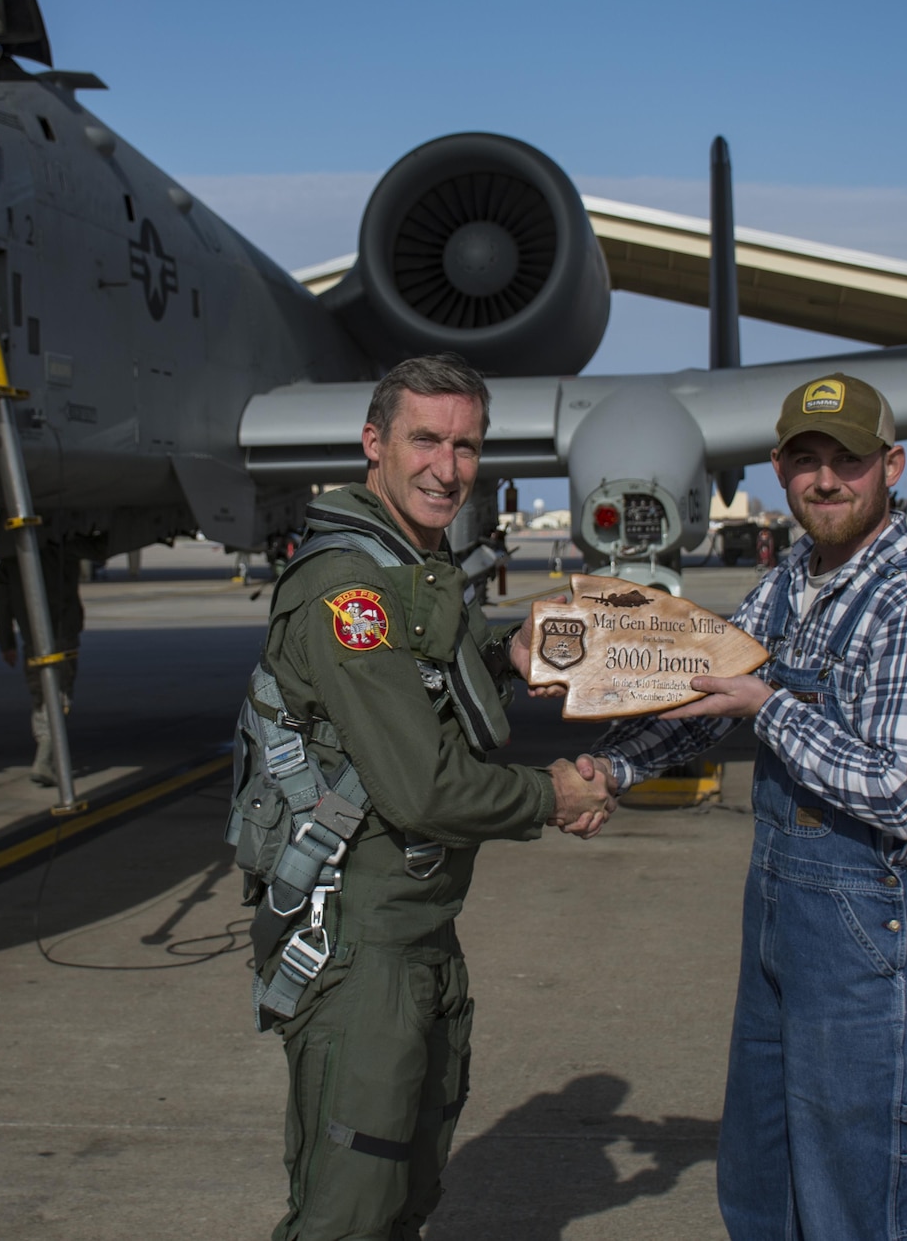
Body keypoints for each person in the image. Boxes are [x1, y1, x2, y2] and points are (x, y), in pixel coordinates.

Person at [580, 371, 907, 1241]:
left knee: (859, 1190)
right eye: (808, 460)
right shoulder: (786, 587)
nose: (828, 478)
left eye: (850, 458)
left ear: (892, 466)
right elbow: (706, 701)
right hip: (778, 922)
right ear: (778, 469)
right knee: (763, 1182)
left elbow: (901, 793)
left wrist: (768, 708)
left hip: (870, 932)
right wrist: (612, 771)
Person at [228, 352, 613, 1241]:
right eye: (426, 440)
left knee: (403, 1201)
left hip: (419, 934)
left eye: (467, 445)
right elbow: (421, 787)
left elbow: (435, 678)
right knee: (346, 1217)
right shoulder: (351, 590)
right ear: (375, 442)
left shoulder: (415, 567)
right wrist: (552, 795)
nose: (448, 467)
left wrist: (507, 656)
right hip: (360, 949)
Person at [0, 537, 83, 787]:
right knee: (58, 694)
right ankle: (45, 757)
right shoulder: (62, 545)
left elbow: (2, 599)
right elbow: (95, 550)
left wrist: (6, 643)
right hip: (61, 634)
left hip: (32, 637)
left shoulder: (12, 556)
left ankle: (46, 751)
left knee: (41, 696)